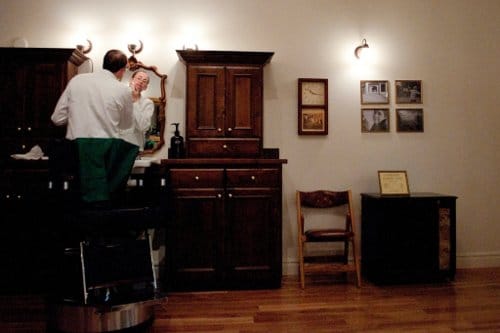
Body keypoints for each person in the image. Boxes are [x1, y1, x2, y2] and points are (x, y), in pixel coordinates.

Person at [51, 49, 138, 205]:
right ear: (123, 69)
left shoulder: (77, 80)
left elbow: (57, 119)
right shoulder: (123, 90)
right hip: (106, 157)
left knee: (74, 207)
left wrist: (77, 117)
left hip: (76, 154)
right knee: (104, 206)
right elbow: (127, 125)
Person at [120, 70, 154, 151]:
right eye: (139, 78)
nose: (141, 81)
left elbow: (143, 126)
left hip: (135, 147)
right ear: (131, 80)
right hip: (117, 145)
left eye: (144, 81)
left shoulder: (148, 103)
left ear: (145, 87)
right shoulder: (119, 97)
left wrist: (134, 101)